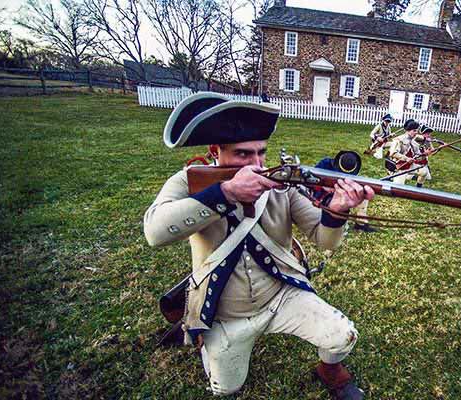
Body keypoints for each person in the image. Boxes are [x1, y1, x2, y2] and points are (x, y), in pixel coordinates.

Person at [144, 92, 374, 399]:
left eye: (261, 153)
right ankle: (204, 339)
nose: (256, 164)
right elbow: (155, 232)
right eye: (242, 154)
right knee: (227, 389)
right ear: (216, 150)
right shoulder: (188, 182)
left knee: (343, 335)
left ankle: (329, 369)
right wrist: (226, 192)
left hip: (281, 294)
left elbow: (325, 240)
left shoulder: (282, 186)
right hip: (226, 312)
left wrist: (339, 209)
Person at [388, 120, 429, 187]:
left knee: (424, 172)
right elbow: (393, 153)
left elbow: (417, 156)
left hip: (409, 165)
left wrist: (425, 154)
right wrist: (406, 159)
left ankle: (418, 187)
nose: (416, 133)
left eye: (417, 131)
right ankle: (392, 176)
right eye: (414, 130)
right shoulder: (398, 140)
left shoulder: (414, 141)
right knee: (398, 189)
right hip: (399, 167)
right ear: (408, 130)